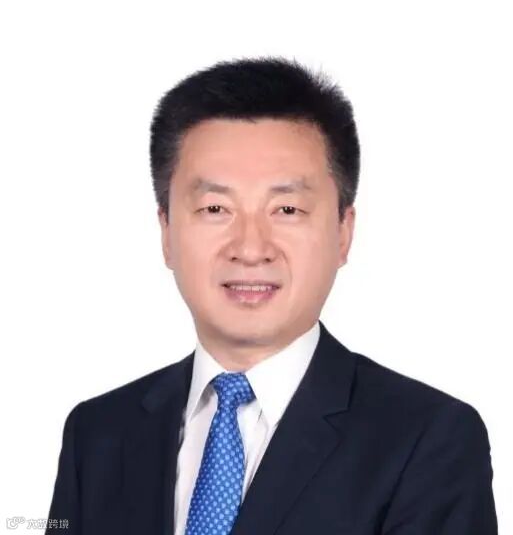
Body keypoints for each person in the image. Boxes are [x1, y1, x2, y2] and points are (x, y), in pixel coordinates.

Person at [45, 57, 498, 535]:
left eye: (287, 209)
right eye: (215, 208)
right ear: (167, 232)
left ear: (343, 233)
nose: (250, 248)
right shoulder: (97, 433)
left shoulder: (428, 440)